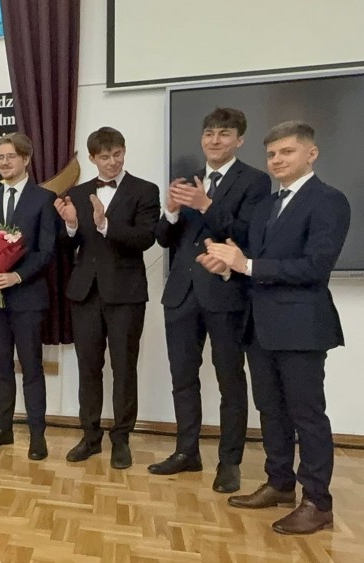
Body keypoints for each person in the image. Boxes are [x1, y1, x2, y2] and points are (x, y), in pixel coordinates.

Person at [201, 121, 350, 535]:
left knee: (307, 416)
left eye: (287, 152)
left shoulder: (329, 201)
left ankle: (317, 503)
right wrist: (227, 266)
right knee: (270, 411)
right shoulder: (266, 205)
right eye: (271, 155)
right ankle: (280, 483)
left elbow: (315, 267)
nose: (277, 160)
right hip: (260, 325)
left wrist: (246, 264)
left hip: (302, 327)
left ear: (311, 154)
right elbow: (251, 261)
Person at [149, 108, 271, 492]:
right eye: (209, 133)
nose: (215, 140)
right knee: (183, 378)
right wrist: (170, 213)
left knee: (230, 381)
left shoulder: (255, 181)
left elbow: (247, 235)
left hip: (226, 293)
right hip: (181, 294)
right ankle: (187, 451)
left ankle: (229, 462)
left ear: (240, 139)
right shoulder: (187, 181)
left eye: (224, 133)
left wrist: (205, 205)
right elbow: (164, 240)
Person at [55, 126, 160, 469]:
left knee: (124, 368)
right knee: (88, 367)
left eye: (117, 154)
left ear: (124, 151)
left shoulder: (145, 190)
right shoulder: (78, 192)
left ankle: (122, 439)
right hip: (85, 293)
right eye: (105, 156)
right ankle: (90, 436)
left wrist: (104, 225)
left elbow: (145, 238)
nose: (113, 162)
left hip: (126, 293)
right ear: (92, 158)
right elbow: (68, 245)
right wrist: (71, 225)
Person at [0, 133, 58, 458]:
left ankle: (37, 435)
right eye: (0, 158)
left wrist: (16, 275)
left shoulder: (43, 199)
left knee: (31, 367)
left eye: (10, 156)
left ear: (26, 159)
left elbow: (46, 250)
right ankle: (2, 429)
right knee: (0, 366)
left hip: (27, 297)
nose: (4, 162)